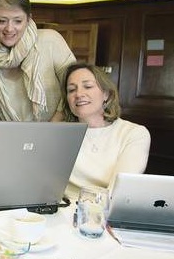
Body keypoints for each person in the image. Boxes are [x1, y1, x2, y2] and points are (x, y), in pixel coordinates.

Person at [0, 0, 76, 122]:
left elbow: (73, 86)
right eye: (2, 21)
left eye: (17, 21)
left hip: (56, 131)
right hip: (14, 137)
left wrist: (51, 128)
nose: (9, 28)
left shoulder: (51, 41)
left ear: (29, 19)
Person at [61, 63, 151, 200]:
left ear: (106, 94)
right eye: (71, 90)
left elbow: (119, 191)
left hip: (106, 213)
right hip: (60, 211)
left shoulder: (134, 134)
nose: (78, 94)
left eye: (88, 86)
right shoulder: (58, 133)